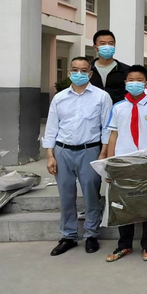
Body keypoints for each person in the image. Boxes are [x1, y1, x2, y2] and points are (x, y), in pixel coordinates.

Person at [42, 57, 112, 256]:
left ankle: (91, 234)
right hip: (62, 151)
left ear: (90, 73)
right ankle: (68, 235)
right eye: (75, 70)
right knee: (66, 195)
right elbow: (52, 127)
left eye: (83, 70)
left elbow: (106, 128)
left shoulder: (101, 97)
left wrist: (103, 153)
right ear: (69, 72)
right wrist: (50, 155)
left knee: (91, 194)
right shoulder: (60, 98)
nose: (78, 74)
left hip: (90, 150)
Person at [104, 65, 147, 263]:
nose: (134, 83)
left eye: (139, 80)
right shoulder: (118, 107)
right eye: (131, 80)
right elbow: (113, 135)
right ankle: (124, 245)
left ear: (146, 83)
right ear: (125, 82)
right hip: (123, 161)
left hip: (146, 161)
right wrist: (110, 163)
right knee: (123, 204)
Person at [89, 30, 131, 104]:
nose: (107, 46)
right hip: (93, 109)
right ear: (95, 47)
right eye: (103, 43)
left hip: (117, 109)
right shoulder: (88, 70)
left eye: (111, 43)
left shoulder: (126, 70)